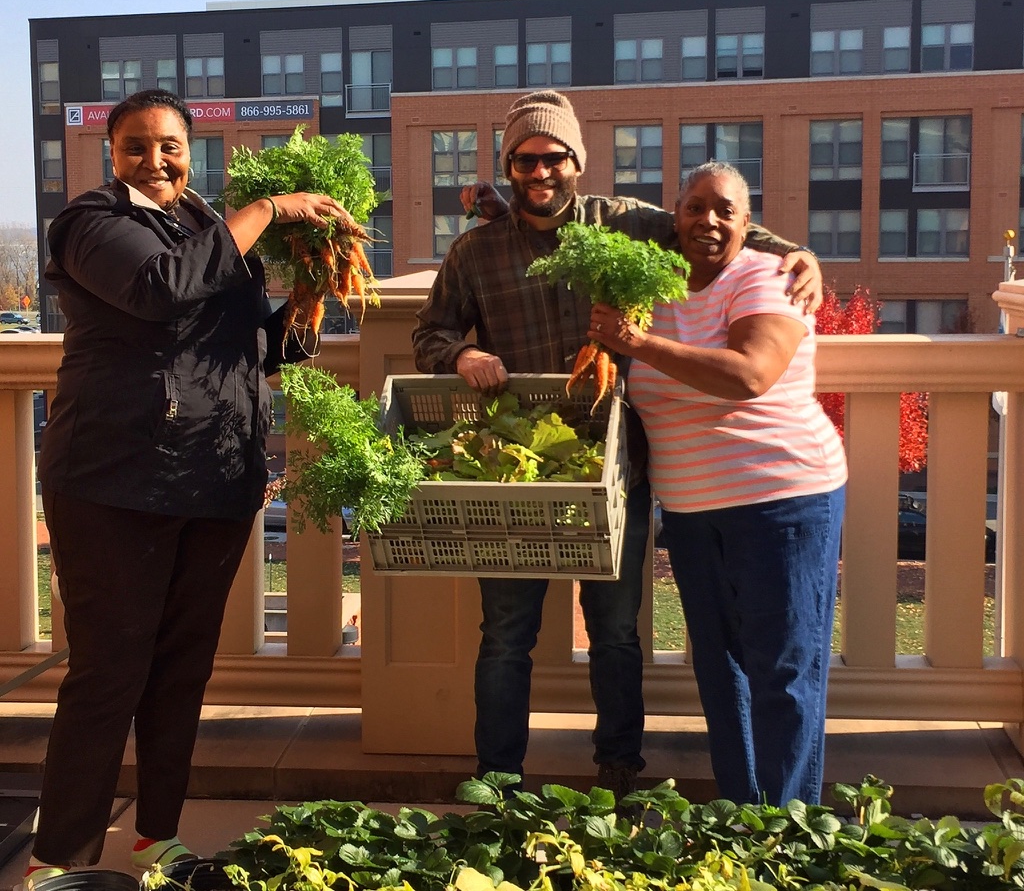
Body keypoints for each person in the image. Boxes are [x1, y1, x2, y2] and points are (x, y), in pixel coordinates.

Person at [412, 90, 823, 799]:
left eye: (552, 157)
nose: (538, 171)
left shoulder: (622, 222)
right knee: (507, 632)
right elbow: (429, 335)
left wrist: (801, 254)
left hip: (618, 464)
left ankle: (617, 771)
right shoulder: (476, 251)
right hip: (519, 468)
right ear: (508, 167)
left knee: (616, 631)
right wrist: (461, 359)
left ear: (577, 160)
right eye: (523, 160)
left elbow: (715, 227)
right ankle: (499, 778)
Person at [23, 89, 356, 885]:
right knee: (110, 672)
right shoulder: (91, 225)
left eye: (168, 145)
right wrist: (272, 207)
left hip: (211, 478)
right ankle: (54, 861)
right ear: (113, 155)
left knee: (181, 670)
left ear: (190, 149)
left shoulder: (207, 224)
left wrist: (308, 293)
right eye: (136, 146)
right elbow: (162, 290)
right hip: (114, 481)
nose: (155, 159)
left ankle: (155, 840)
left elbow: (253, 352)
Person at [589, 161, 847, 806]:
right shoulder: (656, 285)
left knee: (783, 668)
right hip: (693, 509)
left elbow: (750, 374)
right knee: (721, 667)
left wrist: (638, 343)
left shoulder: (769, 276)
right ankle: (740, 817)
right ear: (673, 218)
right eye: (694, 207)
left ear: (748, 222)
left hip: (781, 499)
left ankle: (788, 831)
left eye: (725, 210)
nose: (708, 220)